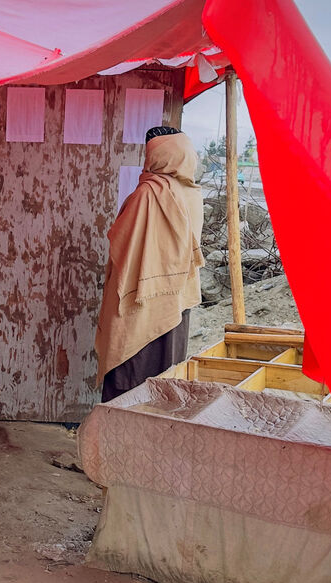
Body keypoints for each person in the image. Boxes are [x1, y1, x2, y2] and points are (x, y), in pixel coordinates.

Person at [94, 126, 204, 402]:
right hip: (175, 302)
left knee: (129, 378)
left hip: (140, 303)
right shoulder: (193, 193)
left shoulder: (148, 193)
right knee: (164, 379)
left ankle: (121, 440)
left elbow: (122, 244)